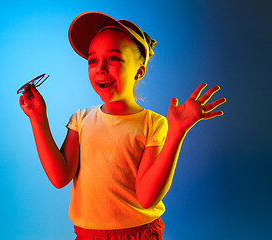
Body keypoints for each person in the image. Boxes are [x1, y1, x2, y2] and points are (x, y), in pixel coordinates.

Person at [19, 11, 226, 240]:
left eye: (113, 58)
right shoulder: (81, 120)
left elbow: (147, 197)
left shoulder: (153, 124)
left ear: (139, 71)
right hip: (88, 235)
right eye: (92, 60)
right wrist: (38, 118)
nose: (100, 68)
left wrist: (177, 131)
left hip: (138, 234)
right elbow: (59, 178)